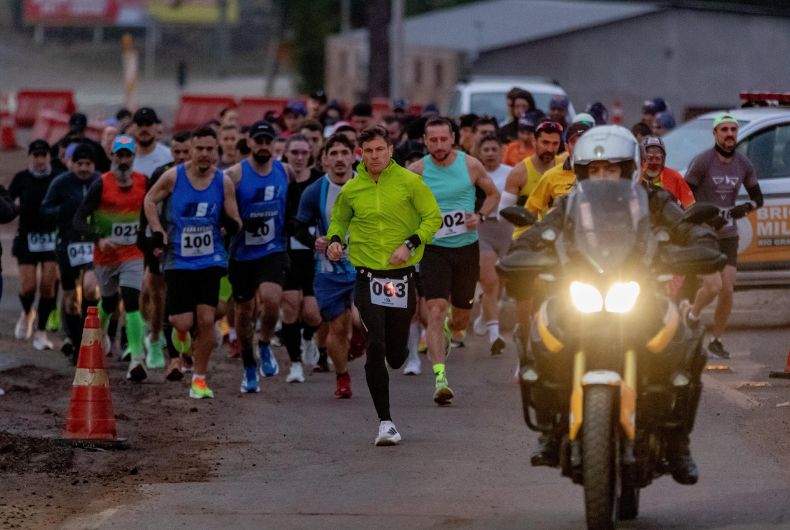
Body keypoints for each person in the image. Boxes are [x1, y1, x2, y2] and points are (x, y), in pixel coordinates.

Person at [510, 125, 715, 483]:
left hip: (639, 293)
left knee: (687, 344)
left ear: (629, 169)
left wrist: (699, 241)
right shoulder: (568, 205)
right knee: (542, 339)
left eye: (611, 169)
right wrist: (523, 251)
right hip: (580, 292)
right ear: (582, 172)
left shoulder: (655, 200)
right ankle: (550, 431)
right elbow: (538, 234)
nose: (603, 176)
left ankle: (677, 443)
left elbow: (687, 226)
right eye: (595, 170)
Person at [326, 126, 441, 445]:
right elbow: (339, 220)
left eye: (380, 149)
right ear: (361, 154)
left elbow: (433, 218)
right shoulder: (352, 189)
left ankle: (400, 349)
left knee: (395, 354)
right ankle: (386, 422)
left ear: (390, 150)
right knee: (374, 344)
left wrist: (410, 244)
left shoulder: (410, 182)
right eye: (368, 151)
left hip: (401, 277)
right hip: (367, 277)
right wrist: (335, 240)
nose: (374, 156)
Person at [144, 127, 241, 399]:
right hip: (178, 259)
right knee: (182, 322)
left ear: (216, 151)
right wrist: (157, 230)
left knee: (207, 319)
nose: (205, 154)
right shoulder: (173, 177)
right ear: (191, 150)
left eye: (210, 149)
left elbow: (235, 218)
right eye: (199, 149)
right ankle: (182, 341)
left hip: (210, 259)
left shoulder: (223, 182)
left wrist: (230, 225)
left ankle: (199, 379)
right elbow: (149, 199)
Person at [408, 117, 500, 405]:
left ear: (453, 139)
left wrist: (480, 216)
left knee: (460, 318)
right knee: (435, 309)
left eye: (443, 139)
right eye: (432, 140)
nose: (438, 145)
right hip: (434, 250)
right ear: (425, 141)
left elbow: (493, 194)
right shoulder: (416, 171)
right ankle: (440, 378)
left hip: (465, 249)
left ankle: (451, 327)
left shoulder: (470, 165)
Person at [684, 113, 763, 358]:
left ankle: (716, 341)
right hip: (705, 233)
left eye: (733, 130)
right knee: (713, 286)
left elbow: (758, 198)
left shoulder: (743, 163)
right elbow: (686, 195)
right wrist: (704, 216)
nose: (729, 134)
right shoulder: (703, 161)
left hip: (729, 234)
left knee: (727, 290)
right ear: (715, 133)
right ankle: (692, 315)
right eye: (724, 130)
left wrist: (745, 208)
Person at [224, 121, 292, 393]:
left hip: (272, 248)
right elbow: (225, 212)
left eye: (268, 141)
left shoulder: (284, 171)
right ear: (250, 142)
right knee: (244, 311)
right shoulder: (234, 175)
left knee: (272, 298)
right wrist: (238, 223)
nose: (263, 145)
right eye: (259, 140)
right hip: (242, 252)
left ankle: (264, 343)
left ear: (274, 143)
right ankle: (249, 365)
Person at [73, 135, 148, 381]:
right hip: (105, 256)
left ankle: (137, 359)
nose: (123, 160)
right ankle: (97, 339)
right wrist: (99, 238)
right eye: (119, 155)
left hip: (133, 253)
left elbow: (152, 212)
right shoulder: (101, 184)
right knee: (107, 303)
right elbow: (78, 219)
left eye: (127, 155)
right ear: (112, 156)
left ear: (134, 157)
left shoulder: (144, 183)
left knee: (131, 300)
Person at [293, 134, 358, 398]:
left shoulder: (369, 185)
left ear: (354, 157)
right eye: (334, 154)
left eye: (344, 153)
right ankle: (342, 377)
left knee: (360, 318)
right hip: (329, 271)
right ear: (324, 159)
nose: (340, 159)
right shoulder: (314, 191)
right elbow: (298, 227)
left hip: (364, 266)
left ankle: (361, 341)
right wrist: (314, 241)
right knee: (338, 327)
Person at [137, 131, 193, 380]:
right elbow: (147, 206)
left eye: (185, 152)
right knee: (160, 294)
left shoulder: (206, 177)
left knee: (187, 301)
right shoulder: (162, 174)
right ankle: (164, 347)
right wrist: (148, 240)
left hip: (194, 246)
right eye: (176, 152)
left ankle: (182, 348)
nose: (181, 157)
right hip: (163, 243)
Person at [40, 144, 101, 363]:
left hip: (94, 244)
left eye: (88, 164)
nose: (83, 168)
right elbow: (45, 208)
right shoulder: (61, 182)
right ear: (71, 164)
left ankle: (90, 338)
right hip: (68, 245)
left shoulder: (101, 181)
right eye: (79, 164)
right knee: (71, 300)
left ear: (94, 165)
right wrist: (61, 210)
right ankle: (76, 344)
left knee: (91, 290)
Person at [10, 139, 60, 350]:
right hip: (27, 237)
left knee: (48, 286)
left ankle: (41, 332)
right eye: (36, 156)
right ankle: (27, 312)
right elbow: (8, 201)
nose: (40, 160)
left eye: (43, 156)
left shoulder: (58, 177)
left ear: (49, 157)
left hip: (51, 237)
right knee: (28, 286)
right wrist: (13, 210)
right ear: (30, 157)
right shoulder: (21, 178)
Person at [281, 134, 323, 383]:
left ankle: (308, 337)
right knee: (290, 308)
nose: (298, 157)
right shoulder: (280, 180)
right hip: (286, 255)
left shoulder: (319, 181)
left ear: (311, 154)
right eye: (294, 152)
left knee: (314, 315)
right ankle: (295, 364)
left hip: (314, 254)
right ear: (286, 154)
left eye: (303, 152)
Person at [470, 133, 513, 355]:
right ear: (479, 152)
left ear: (501, 151)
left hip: (507, 230)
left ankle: (484, 315)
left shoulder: (512, 172)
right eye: (485, 150)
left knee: (503, 282)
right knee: (489, 282)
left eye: (494, 149)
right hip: (483, 230)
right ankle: (495, 336)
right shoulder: (475, 173)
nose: (490, 153)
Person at [526, 120, 594, 218]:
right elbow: (531, 210)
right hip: (562, 227)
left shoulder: (602, 173)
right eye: (573, 142)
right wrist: (540, 226)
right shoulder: (551, 176)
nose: (579, 146)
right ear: (566, 147)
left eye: (584, 141)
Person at [640, 135, 695, 208]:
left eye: (658, 158)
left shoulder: (675, 177)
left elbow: (690, 207)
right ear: (642, 159)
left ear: (664, 159)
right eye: (650, 158)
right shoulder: (634, 177)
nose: (654, 162)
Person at [130, 107, 173, 178]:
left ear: (157, 126)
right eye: (140, 124)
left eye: (148, 124)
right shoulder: (126, 157)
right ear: (133, 127)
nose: (144, 129)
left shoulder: (169, 156)